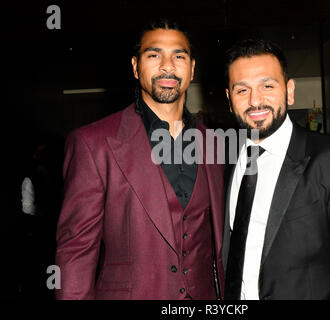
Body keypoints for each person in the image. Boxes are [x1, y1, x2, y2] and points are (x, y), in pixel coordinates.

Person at [55, 19, 225, 300]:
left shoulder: (216, 144)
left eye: (179, 56)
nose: (167, 66)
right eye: (154, 55)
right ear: (135, 66)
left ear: (192, 68)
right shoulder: (92, 143)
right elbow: (76, 252)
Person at [222, 39, 330, 300]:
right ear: (230, 100)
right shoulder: (222, 163)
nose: (255, 100)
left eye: (267, 86)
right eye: (242, 90)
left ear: (290, 90)